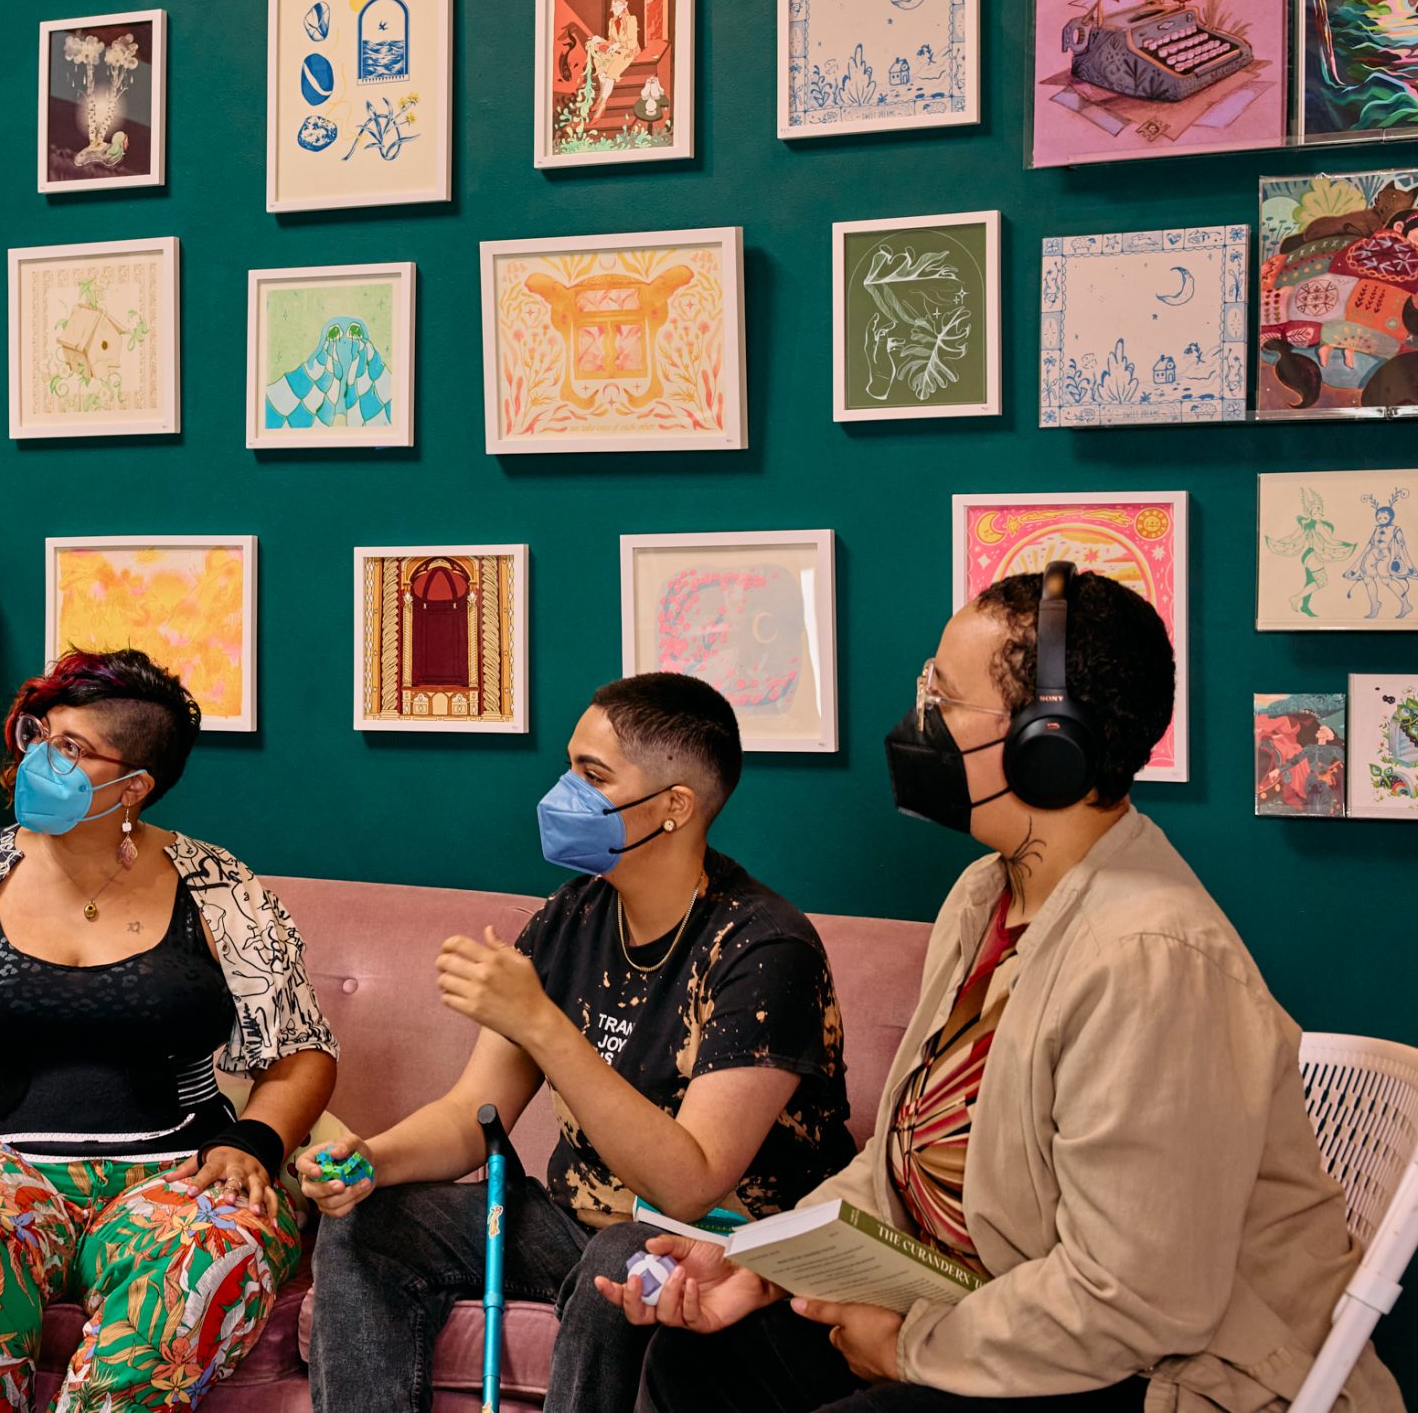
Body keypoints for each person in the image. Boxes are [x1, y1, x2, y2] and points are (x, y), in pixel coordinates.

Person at [600, 566, 1403, 1413]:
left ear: (1046, 743)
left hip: (1158, 1371)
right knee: (701, 1363)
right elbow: (907, 1159)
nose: (920, 721)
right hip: (1004, 1313)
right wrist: (761, 1261)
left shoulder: (1151, 961)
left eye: (942, 697)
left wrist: (910, 1348)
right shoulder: (985, 896)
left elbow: (1133, 1300)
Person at [305, 672, 854, 1413]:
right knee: (364, 1225)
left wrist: (542, 1023)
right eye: (570, 765)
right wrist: (374, 1160)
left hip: (718, 1241)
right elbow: (474, 1111)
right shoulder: (570, 918)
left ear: (674, 808)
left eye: (592, 775)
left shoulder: (763, 950)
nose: (564, 791)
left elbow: (690, 1184)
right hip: (571, 1218)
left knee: (621, 1260)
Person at [0, 649, 338, 1411]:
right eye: (38, 737)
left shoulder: (221, 888)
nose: (37, 760)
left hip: (180, 1172)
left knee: (208, 1257)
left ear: (135, 786)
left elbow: (301, 1052)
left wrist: (255, 1141)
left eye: (71, 749)